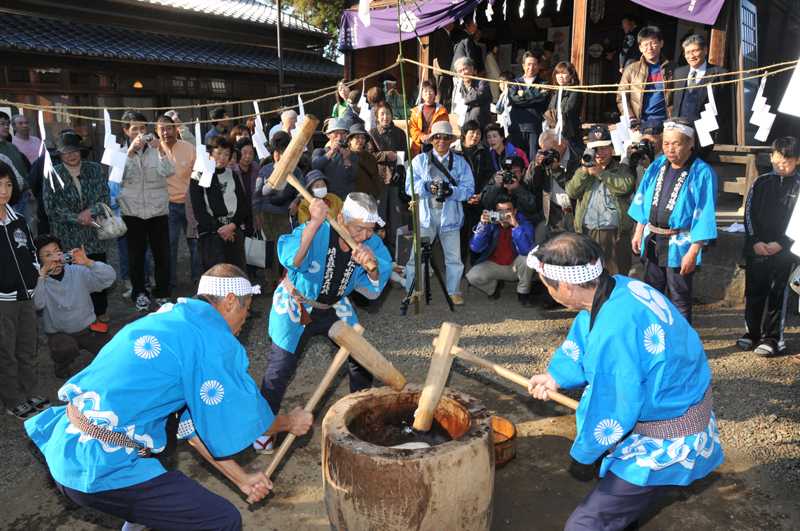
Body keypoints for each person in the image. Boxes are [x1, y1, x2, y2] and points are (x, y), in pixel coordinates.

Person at [25, 263, 313, 530]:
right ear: (228, 302)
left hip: (68, 445)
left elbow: (191, 429)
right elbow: (246, 418)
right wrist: (290, 422)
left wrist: (243, 480)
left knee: (155, 498)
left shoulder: (170, 318)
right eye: (245, 310)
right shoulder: (211, 340)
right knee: (222, 520)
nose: (245, 322)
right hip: (103, 466)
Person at [526, 232, 723, 531]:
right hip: (676, 404)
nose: (546, 289)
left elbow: (613, 405)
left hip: (667, 436)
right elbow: (586, 335)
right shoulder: (620, 288)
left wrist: (586, 450)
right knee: (619, 511)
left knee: (586, 524)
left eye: (545, 283)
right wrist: (556, 377)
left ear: (565, 285)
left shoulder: (613, 329)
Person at [259, 193, 390, 451]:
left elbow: (373, 288)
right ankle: (264, 430)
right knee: (280, 368)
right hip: (298, 301)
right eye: (358, 228)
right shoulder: (319, 230)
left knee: (360, 359)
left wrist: (371, 266)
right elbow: (291, 260)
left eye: (370, 230)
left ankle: (360, 421)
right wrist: (313, 223)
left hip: (333, 305)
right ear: (341, 218)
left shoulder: (371, 244)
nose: (364, 235)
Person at [629, 119, 718, 323]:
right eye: (666, 143)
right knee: (651, 293)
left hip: (680, 243)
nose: (670, 149)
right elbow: (643, 197)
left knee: (679, 296)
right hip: (652, 238)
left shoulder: (702, 172)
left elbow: (704, 212)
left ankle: (681, 343)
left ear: (690, 143)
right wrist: (638, 230)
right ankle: (654, 337)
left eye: (676, 143)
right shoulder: (658, 165)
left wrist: (694, 251)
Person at [739, 137, 800, 357]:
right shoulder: (760, 182)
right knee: (754, 290)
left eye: (788, 159)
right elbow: (748, 214)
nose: (782, 163)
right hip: (758, 247)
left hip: (784, 251)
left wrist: (782, 243)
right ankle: (752, 333)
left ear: (797, 160)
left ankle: (774, 338)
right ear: (771, 156)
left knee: (777, 293)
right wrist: (755, 240)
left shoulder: (798, 185)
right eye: (778, 157)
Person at [44, 130, 112, 322]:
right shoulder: (52, 174)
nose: (71, 155)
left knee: (97, 271)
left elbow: (105, 198)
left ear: (81, 151)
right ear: (60, 154)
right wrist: (77, 218)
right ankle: (76, 316)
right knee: (72, 277)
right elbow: (51, 208)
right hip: (67, 236)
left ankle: (100, 312)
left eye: (74, 150)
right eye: (66, 152)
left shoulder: (95, 169)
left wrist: (90, 211)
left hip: (94, 233)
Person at [404, 121, 475, 305]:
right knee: (417, 256)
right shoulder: (419, 161)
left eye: (445, 137)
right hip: (426, 216)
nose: (441, 141)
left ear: (451, 140)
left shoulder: (460, 163)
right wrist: (427, 186)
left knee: (453, 257)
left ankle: (454, 290)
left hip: (450, 215)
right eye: (437, 137)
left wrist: (452, 191)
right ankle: (413, 289)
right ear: (431, 139)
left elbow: (469, 189)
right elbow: (408, 187)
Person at [33, 235, 116, 378]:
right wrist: (41, 277)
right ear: (39, 261)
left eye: (57, 251)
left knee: (112, 351)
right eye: (48, 255)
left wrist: (89, 263)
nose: (55, 257)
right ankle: (61, 364)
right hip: (60, 333)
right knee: (64, 348)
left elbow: (109, 278)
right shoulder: (39, 281)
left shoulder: (77, 271)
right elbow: (37, 305)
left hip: (89, 328)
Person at [0, 162, 45, 419]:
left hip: (26, 295)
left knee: (28, 346)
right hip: (2, 300)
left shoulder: (18, 219)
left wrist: (34, 273)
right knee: (5, 350)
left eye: (7, 184)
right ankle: (12, 398)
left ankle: (30, 391)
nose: (3, 190)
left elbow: (29, 251)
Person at [120, 110, 173, 312]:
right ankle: (139, 292)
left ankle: (162, 293)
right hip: (132, 211)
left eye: (143, 128)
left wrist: (160, 150)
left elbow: (169, 171)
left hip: (158, 210)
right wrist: (130, 153)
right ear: (126, 131)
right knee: (136, 255)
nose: (140, 133)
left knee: (162, 254)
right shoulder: (119, 151)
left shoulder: (155, 149)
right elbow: (116, 176)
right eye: (135, 129)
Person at [566, 125, 636, 276]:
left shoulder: (621, 168)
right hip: (587, 232)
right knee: (589, 277)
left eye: (604, 148)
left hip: (614, 234)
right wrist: (585, 171)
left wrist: (601, 173)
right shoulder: (583, 171)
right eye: (595, 149)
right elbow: (571, 192)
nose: (600, 153)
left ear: (611, 148)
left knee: (617, 275)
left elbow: (625, 186)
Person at [190, 137, 248, 271]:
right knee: (217, 274)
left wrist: (232, 225)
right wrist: (221, 229)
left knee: (236, 272)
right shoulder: (198, 176)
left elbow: (243, 204)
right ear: (210, 153)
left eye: (227, 154)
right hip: (212, 232)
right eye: (219, 153)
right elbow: (199, 209)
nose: (222, 158)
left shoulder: (232, 174)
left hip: (233, 229)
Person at [467, 193, 535, 305]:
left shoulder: (523, 223)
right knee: (472, 276)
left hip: (515, 266)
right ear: (494, 212)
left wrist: (516, 227)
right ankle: (492, 289)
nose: (504, 215)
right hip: (494, 265)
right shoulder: (489, 223)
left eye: (508, 210)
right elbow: (475, 248)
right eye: (500, 211)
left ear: (515, 211)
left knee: (528, 258)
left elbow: (526, 250)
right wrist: (482, 226)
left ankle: (523, 293)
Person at [157, 114, 200, 289]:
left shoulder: (188, 147)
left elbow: (198, 172)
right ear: (156, 131)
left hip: (190, 204)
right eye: (162, 129)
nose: (166, 132)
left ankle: (198, 279)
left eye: (169, 128)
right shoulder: (154, 149)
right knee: (169, 245)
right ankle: (170, 281)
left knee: (195, 244)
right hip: (167, 206)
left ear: (176, 128)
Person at [254, 132, 299, 292]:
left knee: (284, 248)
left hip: (283, 214)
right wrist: (257, 215)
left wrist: (295, 201)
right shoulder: (265, 170)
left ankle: (284, 278)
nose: (279, 156)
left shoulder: (295, 170)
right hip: (266, 214)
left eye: (283, 153)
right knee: (269, 247)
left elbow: (302, 190)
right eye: (276, 153)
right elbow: (257, 193)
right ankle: (270, 280)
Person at [672, 34, 730, 145]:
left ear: (705, 50)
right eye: (687, 52)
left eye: (695, 51)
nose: (691, 56)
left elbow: (725, 106)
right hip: (680, 129)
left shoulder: (719, 73)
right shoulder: (679, 73)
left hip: (706, 131)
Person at [369, 102, 409, 258]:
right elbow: (369, 155)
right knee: (379, 218)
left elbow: (403, 155)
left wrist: (400, 169)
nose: (385, 117)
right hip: (378, 181)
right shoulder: (371, 133)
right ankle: (378, 254)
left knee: (397, 218)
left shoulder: (399, 133)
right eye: (382, 114)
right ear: (377, 118)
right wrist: (386, 155)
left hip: (395, 181)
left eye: (388, 113)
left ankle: (398, 257)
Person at [617, 26, 674, 125]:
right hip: (639, 123)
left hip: (667, 123)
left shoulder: (672, 69)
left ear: (661, 43)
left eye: (653, 43)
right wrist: (631, 118)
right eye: (645, 44)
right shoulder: (631, 69)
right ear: (640, 48)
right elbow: (622, 98)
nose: (649, 48)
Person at [526, 130, 580, 233]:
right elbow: (529, 184)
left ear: (563, 144)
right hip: (553, 213)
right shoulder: (543, 159)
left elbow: (574, 189)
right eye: (544, 150)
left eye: (551, 149)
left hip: (576, 211)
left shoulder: (578, 157)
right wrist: (535, 166)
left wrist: (556, 170)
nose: (548, 154)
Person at [458, 120, 494, 260]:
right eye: (472, 132)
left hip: (477, 200)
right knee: (459, 236)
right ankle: (459, 268)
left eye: (478, 133)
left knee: (476, 234)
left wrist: (481, 194)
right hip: (459, 200)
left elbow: (488, 176)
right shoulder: (455, 152)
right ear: (464, 134)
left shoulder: (483, 152)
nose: (475, 136)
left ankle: (475, 265)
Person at [509, 51, 550, 160]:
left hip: (534, 127)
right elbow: (513, 100)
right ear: (523, 66)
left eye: (534, 64)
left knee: (533, 160)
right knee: (516, 160)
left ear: (539, 66)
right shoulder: (515, 82)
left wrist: (522, 95)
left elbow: (542, 100)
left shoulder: (543, 84)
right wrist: (534, 96)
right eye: (528, 64)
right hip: (517, 126)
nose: (531, 67)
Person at [481, 155, 543, 229]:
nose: (510, 174)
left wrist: (518, 189)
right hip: (498, 226)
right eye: (508, 171)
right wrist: (496, 186)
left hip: (522, 227)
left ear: (523, 172)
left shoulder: (528, 183)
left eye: (515, 172)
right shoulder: (497, 181)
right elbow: (485, 203)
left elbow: (534, 207)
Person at [545, 62, 585, 157]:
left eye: (564, 73)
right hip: (555, 131)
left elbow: (568, 110)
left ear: (571, 75)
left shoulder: (575, 90)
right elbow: (549, 111)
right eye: (558, 73)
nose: (560, 76)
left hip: (570, 131)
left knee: (572, 158)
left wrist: (553, 116)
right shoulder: (556, 91)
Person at [312, 118, 358, 199]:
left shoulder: (352, 154)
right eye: (336, 133)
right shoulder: (319, 151)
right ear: (328, 135)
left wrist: (346, 159)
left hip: (347, 198)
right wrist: (331, 152)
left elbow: (354, 177)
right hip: (328, 198)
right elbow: (315, 166)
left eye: (343, 133)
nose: (339, 137)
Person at [0, 111, 31, 220]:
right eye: (2, 124)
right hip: (5, 199)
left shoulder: (12, 147)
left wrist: (28, 188)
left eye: (7, 124)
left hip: (23, 196)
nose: (6, 127)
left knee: (25, 230)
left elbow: (23, 170)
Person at [408, 81, 450, 157]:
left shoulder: (442, 111)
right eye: (425, 91)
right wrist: (421, 137)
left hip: (435, 146)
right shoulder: (416, 111)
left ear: (435, 93)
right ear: (421, 94)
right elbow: (412, 128)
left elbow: (444, 128)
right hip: (418, 147)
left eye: (431, 91)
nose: (428, 94)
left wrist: (431, 137)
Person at [452, 57, 492, 131]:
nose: (463, 73)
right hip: (464, 126)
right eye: (460, 71)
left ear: (472, 69)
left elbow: (478, 96)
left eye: (465, 69)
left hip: (480, 126)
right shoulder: (458, 86)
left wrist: (464, 101)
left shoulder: (482, 82)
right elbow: (455, 105)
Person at [347, 123, 383, 201]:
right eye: (357, 137)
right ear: (350, 140)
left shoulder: (370, 157)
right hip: (350, 199)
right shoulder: (345, 156)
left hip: (368, 199)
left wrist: (377, 197)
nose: (360, 140)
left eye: (363, 138)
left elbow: (375, 178)